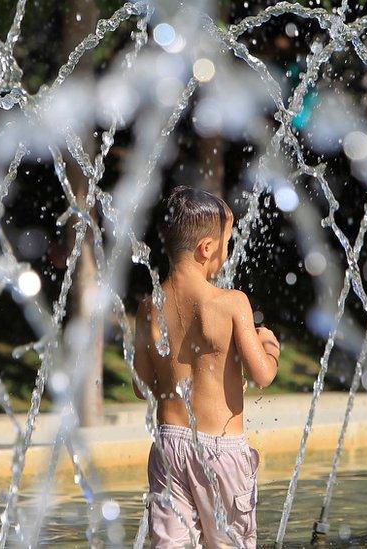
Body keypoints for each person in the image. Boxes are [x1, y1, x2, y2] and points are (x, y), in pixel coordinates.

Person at [133, 185, 280, 548]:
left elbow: (141, 384)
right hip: (222, 452)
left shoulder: (149, 306)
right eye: (227, 242)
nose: (227, 253)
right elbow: (262, 374)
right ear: (207, 248)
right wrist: (269, 346)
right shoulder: (231, 303)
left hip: (169, 446)